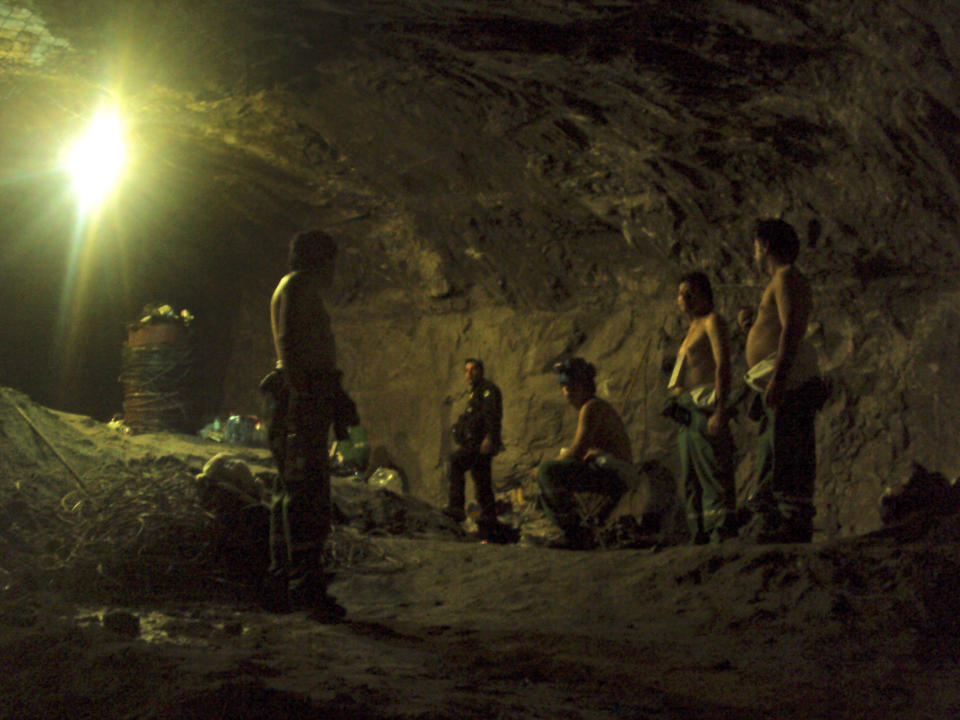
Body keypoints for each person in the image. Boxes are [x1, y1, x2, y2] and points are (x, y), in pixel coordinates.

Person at [258, 229, 355, 620]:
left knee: (291, 491)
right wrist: (301, 400)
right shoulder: (298, 286)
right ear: (321, 259)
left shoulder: (296, 287)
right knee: (307, 495)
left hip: (302, 397)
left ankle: (283, 583)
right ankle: (305, 591)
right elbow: (288, 340)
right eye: (331, 260)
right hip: (299, 401)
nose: (335, 269)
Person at [739, 219, 825, 543]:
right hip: (782, 380)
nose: (754, 253)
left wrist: (779, 377)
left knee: (790, 447)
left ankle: (792, 521)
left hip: (788, 382)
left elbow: (792, 328)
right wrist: (752, 326)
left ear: (764, 245)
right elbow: (777, 329)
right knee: (775, 449)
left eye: (755, 246)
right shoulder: (780, 280)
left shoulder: (787, 277)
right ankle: (776, 520)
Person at [537, 357, 638, 549]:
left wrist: (546, 466)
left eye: (572, 387)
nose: (567, 393)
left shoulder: (591, 407)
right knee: (551, 474)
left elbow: (577, 450)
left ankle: (575, 535)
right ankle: (579, 532)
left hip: (617, 475)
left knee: (546, 471)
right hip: (612, 471)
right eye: (564, 387)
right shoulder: (592, 406)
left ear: (584, 386)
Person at [665, 271, 736, 544]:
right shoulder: (690, 330)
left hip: (704, 407)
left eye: (690, 292)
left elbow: (723, 364)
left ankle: (721, 531)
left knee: (712, 470)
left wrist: (720, 408)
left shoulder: (712, 322)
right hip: (687, 413)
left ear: (705, 294)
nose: (683, 298)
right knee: (692, 475)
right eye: (681, 293)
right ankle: (700, 533)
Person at [445, 358, 503, 531]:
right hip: (475, 442)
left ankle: (456, 508)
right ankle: (489, 519)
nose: (469, 374)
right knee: (482, 479)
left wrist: (490, 438)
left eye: (473, 370)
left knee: (456, 462)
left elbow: (493, 416)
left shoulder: (488, 390)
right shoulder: (474, 393)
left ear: (481, 371)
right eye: (466, 371)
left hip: (480, 443)